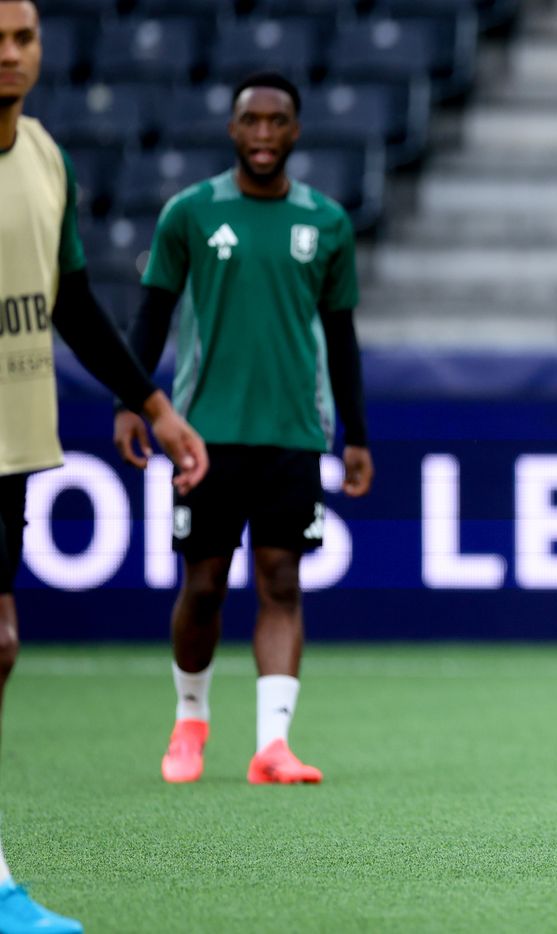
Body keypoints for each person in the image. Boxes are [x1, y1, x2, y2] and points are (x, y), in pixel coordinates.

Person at [1, 2, 209, 928]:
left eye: (23, 37)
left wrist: (155, 405)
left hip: (12, 452)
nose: (10, 54)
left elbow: (72, 303)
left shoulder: (45, 157)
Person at [113, 71, 372, 787]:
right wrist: (133, 400)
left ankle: (272, 746)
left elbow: (342, 335)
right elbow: (152, 315)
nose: (263, 134)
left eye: (277, 121)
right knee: (203, 585)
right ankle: (190, 721)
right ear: (232, 129)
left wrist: (357, 433)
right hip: (206, 431)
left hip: (294, 430)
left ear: (296, 130)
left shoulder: (326, 222)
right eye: (250, 121)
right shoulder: (189, 214)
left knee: (281, 579)